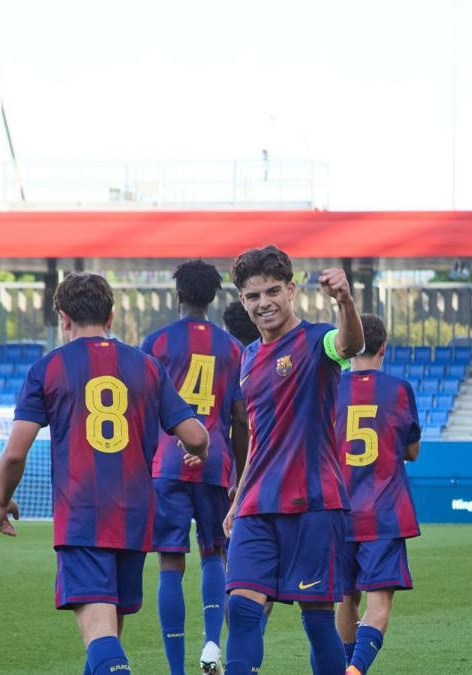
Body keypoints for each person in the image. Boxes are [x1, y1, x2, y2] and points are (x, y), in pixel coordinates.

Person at [0, 272, 211, 675]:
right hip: (134, 516)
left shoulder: (48, 368)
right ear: (111, 316)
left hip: (83, 515)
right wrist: (195, 450)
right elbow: (197, 436)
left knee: (99, 635)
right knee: (109, 634)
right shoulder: (146, 367)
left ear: (63, 318)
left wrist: (3, 499)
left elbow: (13, 455)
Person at [221, 245, 364, 675]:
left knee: (318, 618)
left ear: (291, 290)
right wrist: (236, 500)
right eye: (252, 296)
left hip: (313, 504)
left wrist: (344, 301)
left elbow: (350, 344)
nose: (263, 303)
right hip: (256, 506)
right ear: (242, 301)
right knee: (242, 609)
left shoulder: (316, 341)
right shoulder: (247, 358)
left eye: (271, 291)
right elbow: (261, 439)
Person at [141, 260, 249, 674]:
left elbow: (145, 410)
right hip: (216, 462)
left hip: (166, 463)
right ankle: (210, 644)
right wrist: (239, 473)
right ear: (214, 296)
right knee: (214, 554)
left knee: (170, 562)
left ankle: (176, 670)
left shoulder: (156, 343)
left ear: (179, 295)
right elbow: (240, 418)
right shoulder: (233, 347)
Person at [333, 314, 421, 675]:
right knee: (379, 600)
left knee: (344, 597)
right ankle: (356, 670)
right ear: (384, 346)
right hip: (384, 510)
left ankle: (347, 665)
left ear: (348, 344)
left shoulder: (331, 388)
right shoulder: (399, 389)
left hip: (337, 510)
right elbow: (412, 451)